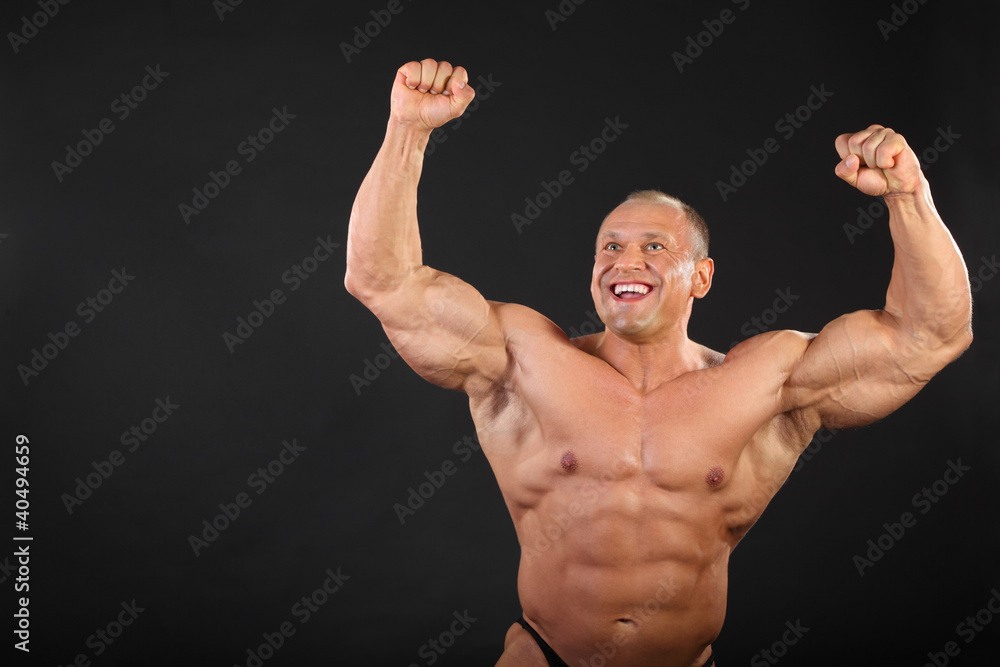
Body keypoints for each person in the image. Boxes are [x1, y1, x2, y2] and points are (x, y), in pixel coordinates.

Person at [344, 59, 974, 667]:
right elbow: (383, 280)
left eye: (654, 246)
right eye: (610, 247)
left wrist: (908, 198)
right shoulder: (520, 358)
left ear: (701, 277)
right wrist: (408, 130)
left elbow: (930, 335)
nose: (626, 260)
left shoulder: (765, 380)